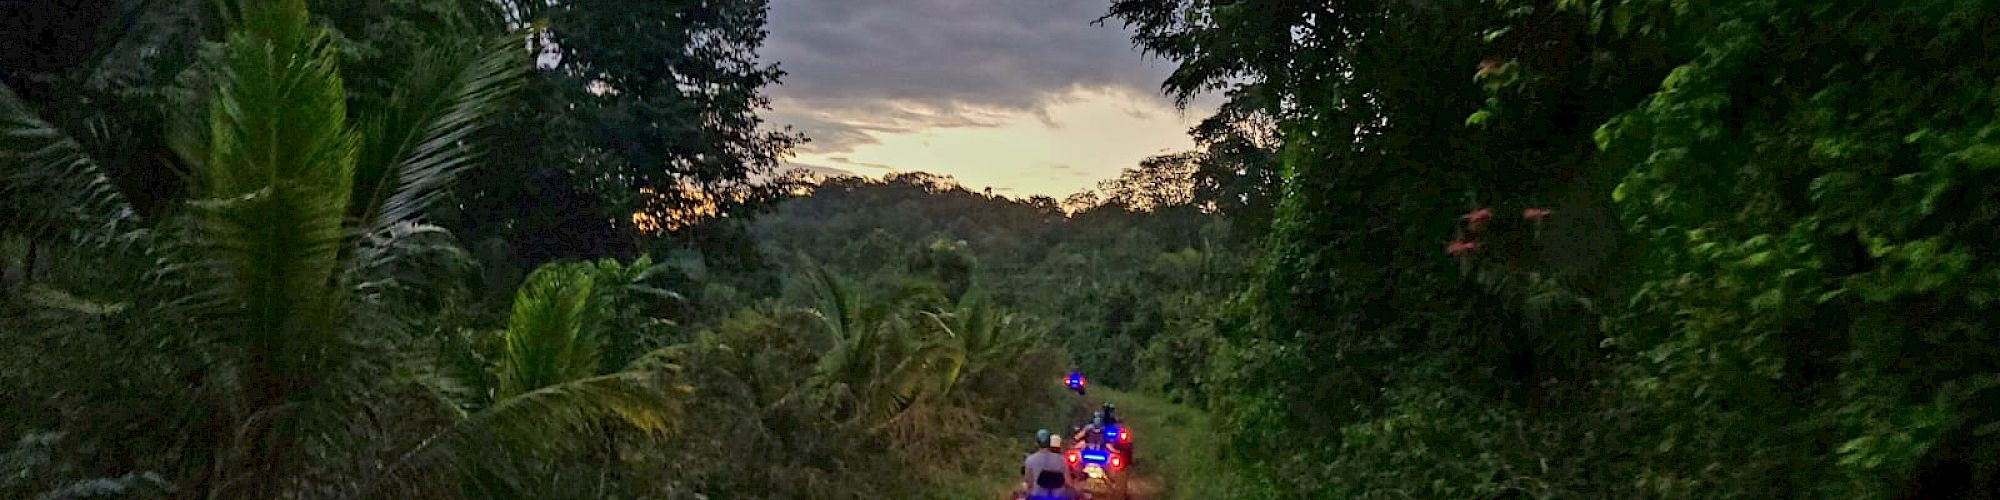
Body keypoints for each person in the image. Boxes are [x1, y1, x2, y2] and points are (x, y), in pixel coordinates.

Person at [1022, 430, 1075, 499]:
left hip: (1037, 497)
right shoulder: (1061, 460)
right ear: (1050, 442)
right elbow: (1068, 482)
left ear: (1037, 443)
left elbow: (1028, 482)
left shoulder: (1030, 460)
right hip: (1058, 497)